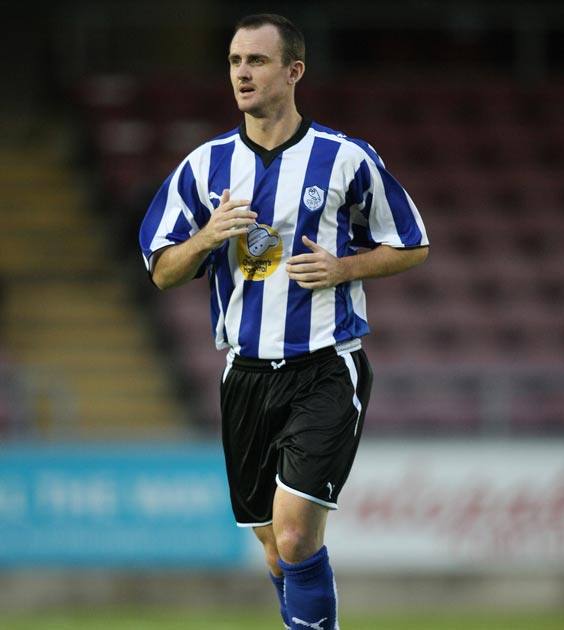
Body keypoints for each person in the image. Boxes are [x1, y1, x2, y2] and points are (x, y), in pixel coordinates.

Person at [139, 13, 429, 630]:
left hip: (325, 364)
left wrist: (345, 268)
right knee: (274, 548)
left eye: (257, 61)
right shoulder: (204, 167)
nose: (242, 73)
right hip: (244, 375)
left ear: (293, 71)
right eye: (235, 62)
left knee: (296, 538)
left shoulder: (344, 158)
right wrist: (207, 238)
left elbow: (412, 244)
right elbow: (162, 270)